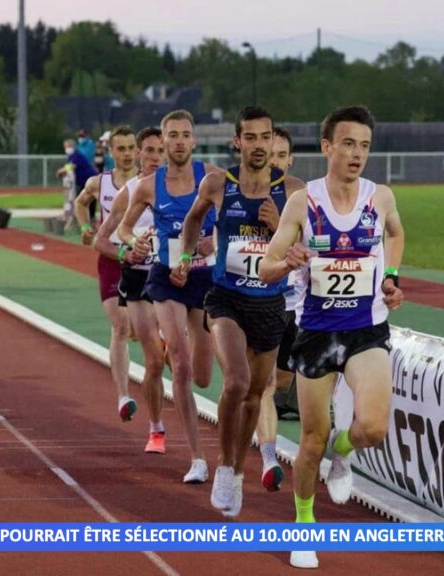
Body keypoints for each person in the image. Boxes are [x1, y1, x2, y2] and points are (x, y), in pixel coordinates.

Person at [259, 105, 405, 570]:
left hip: (366, 328)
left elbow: (396, 235)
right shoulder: (304, 203)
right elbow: (266, 268)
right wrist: (288, 261)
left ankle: (344, 454)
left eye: (364, 145)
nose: (356, 153)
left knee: (374, 427)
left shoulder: (379, 197)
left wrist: (391, 277)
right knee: (310, 441)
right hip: (317, 332)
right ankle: (304, 525)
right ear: (326, 147)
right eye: (347, 143)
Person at [176, 107, 307, 518]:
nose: (257, 145)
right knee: (235, 381)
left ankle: (237, 469)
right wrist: (184, 256)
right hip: (226, 299)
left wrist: (277, 229)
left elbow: (314, 248)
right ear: (238, 142)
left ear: (273, 142)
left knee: (254, 397)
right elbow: (192, 221)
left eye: (264, 137)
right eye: (249, 137)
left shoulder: (295, 192)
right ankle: (224, 467)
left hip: (271, 304)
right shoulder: (218, 184)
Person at [117, 109, 223, 483]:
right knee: (178, 363)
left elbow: (237, 222)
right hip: (165, 279)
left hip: (204, 277)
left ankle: (194, 340)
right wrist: (136, 244)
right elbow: (125, 228)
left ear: (193, 141)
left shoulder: (212, 178)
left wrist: (216, 240)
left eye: (184, 135)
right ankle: (197, 459)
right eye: (172, 135)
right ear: (162, 143)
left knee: (204, 376)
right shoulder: (149, 186)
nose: (178, 141)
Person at [93, 127, 169, 453]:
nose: (154, 157)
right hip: (137, 279)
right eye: (148, 151)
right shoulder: (128, 191)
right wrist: (127, 251)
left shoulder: (186, 190)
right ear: (139, 153)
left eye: (159, 151)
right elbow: (101, 239)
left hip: (173, 280)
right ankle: (155, 427)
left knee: (185, 364)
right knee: (151, 358)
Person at [74, 126, 141, 422]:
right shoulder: (98, 183)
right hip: (111, 258)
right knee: (121, 327)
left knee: (139, 330)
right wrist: (85, 227)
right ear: (111, 152)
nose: (126, 154)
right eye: (121, 149)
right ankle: (123, 395)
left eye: (130, 148)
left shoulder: (149, 183)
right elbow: (80, 203)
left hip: (144, 261)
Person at [254, 125, 300, 495]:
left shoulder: (302, 196)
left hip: (300, 306)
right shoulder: (242, 192)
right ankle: (269, 457)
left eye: (282, 156)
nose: (275, 162)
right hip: (262, 301)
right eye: (270, 155)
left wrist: (277, 227)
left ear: (290, 160)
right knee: (267, 384)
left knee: (282, 381)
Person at [56, 139, 97, 232]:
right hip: (84, 182)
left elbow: (72, 166)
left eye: (68, 146)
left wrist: (61, 171)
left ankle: (87, 223)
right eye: (65, 147)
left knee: (82, 201)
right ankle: (85, 222)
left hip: (89, 180)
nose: (66, 149)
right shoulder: (71, 156)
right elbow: (69, 166)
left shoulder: (76, 155)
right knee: (83, 201)